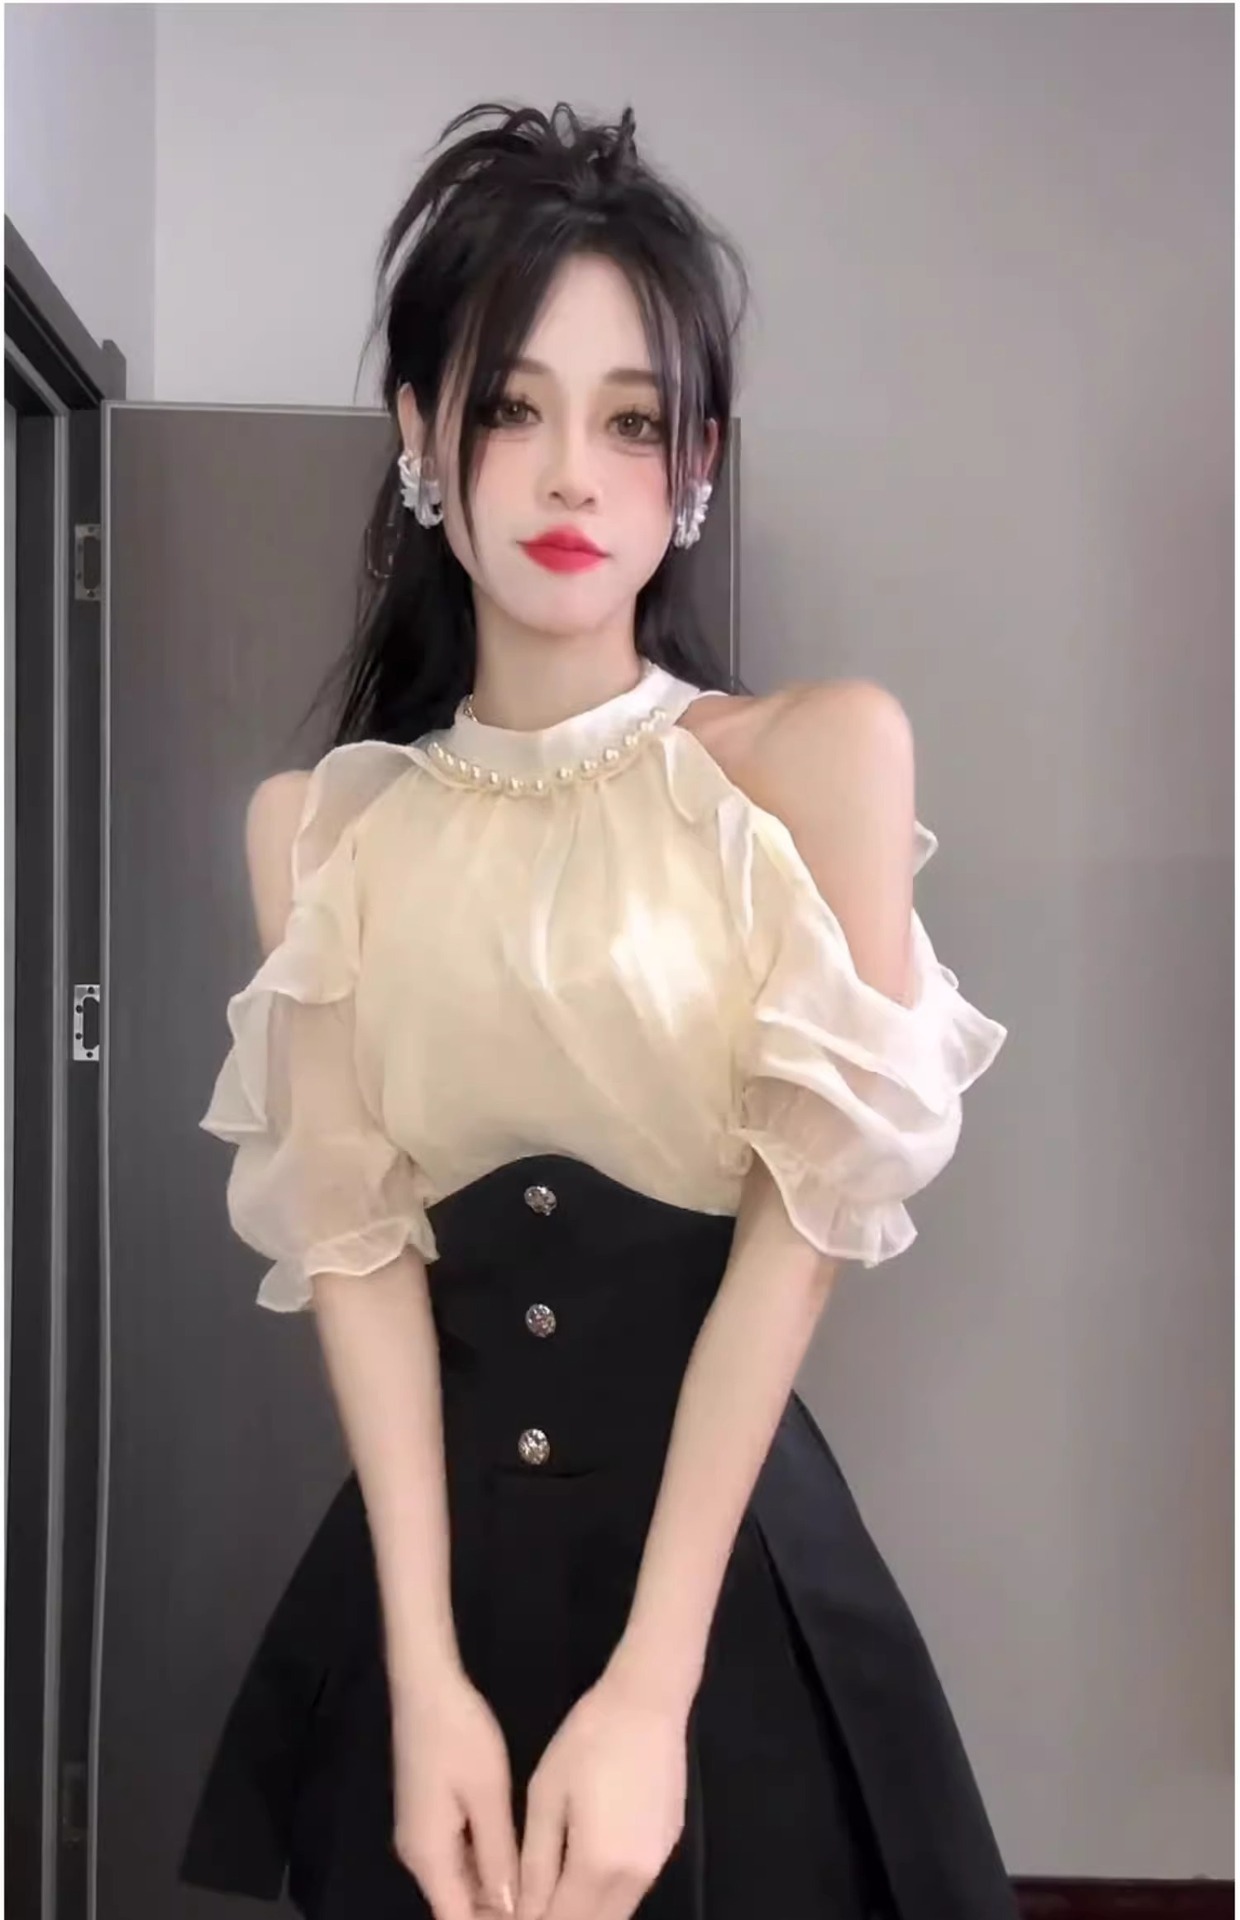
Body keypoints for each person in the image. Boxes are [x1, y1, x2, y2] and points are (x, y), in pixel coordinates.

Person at [180, 100, 1014, 1920]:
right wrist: (421, 1683)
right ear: (422, 435)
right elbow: (362, 1273)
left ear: (695, 460)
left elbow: (798, 1249)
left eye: (632, 421)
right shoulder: (321, 836)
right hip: (435, 1608)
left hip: (727, 1604)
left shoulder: (815, 762)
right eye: (512, 407)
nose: (574, 477)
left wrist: (651, 1694)